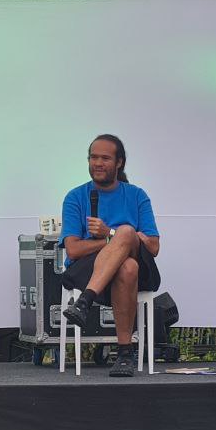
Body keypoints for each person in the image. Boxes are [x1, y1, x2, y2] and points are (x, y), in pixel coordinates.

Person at [59, 134, 161, 378]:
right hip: (88, 269)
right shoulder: (75, 197)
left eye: (105, 158)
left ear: (119, 163)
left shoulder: (136, 195)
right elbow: (72, 250)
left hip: (140, 271)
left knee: (125, 232)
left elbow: (154, 247)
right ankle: (125, 354)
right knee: (127, 267)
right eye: (93, 157)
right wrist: (109, 241)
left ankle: (84, 302)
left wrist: (112, 234)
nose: (98, 163)